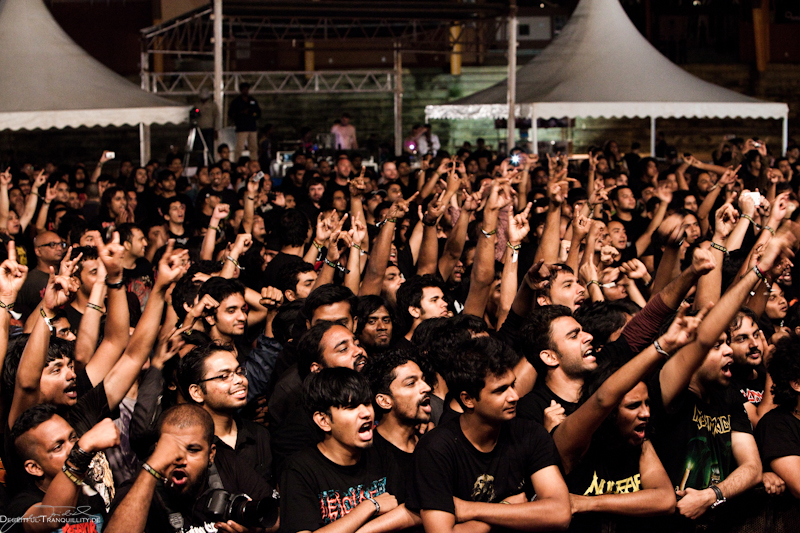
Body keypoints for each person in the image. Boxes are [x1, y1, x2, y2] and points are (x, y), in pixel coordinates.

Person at [407, 335, 572, 532]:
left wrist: (471, 509)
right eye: (500, 390)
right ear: (468, 399)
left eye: (512, 385)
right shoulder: (436, 449)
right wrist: (509, 507)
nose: (514, 396)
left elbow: (560, 513)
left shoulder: (530, 433)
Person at [107, 404, 277, 533]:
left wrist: (253, 530)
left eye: (193, 450)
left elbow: (275, 519)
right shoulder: (139, 487)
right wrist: (152, 468)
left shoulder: (227, 464)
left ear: (211, 454)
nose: (180, 459)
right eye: (170, 449)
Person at [279, 368, 400, 533]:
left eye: (367, 403)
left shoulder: (381, 451)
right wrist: (369, 506)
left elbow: (413, 511)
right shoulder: (300, 469)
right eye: (351, 407)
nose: (366, 413)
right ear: (324, 421)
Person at [228, 83, 261, 161]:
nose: (245, 91)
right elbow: (231, 114)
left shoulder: (252, 100)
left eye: (247, 89)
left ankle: (254, 161)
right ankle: (237, 162)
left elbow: (258, 113)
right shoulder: (236, 102)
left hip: (252, 127)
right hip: (241, 127)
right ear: (241, 90)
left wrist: (252, 114)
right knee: (240, 147)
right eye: (244, 89)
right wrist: (241, 113)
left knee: (253, 147)